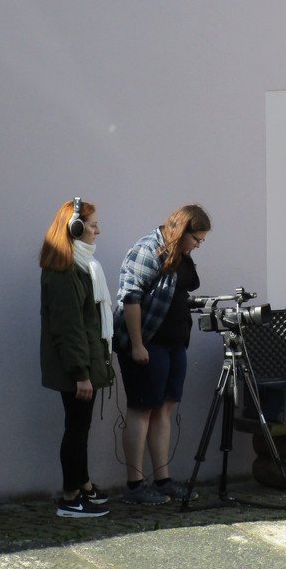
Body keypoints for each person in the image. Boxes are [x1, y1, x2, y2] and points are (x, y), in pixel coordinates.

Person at [114, 204, 210, 504]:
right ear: (182, 231)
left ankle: (163, 479)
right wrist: (138, 344)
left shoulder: (180, 253)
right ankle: (134, 486)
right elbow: (131, 299)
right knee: (142, 409)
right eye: (197, 239)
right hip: (149, 343)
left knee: (165, 409)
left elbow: (176, 291)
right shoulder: (148, 250)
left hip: (174, 343)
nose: (199, 245)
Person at [39, 198, 115, 518]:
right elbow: (69, 328)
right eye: (93, 224)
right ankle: (70, 497)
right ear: (76, 227)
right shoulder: (65, 270)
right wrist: (81, 373)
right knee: (76, 429)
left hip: (86, 363)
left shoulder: (83, 265)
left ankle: (82, 483)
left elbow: (89, 321)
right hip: (76, 368)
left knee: (81, 427)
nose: (98, 230)